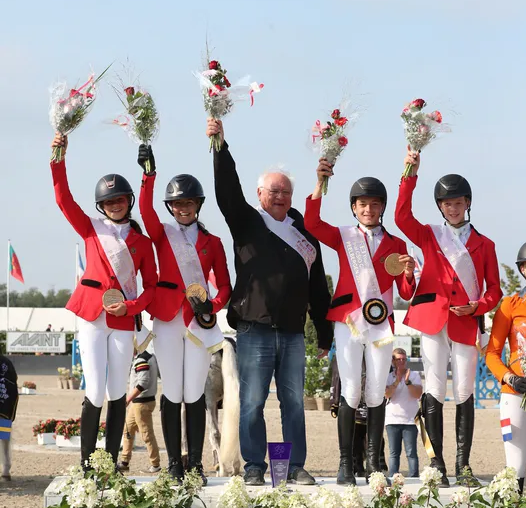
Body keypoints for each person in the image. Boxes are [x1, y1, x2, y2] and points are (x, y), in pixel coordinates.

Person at [206, 118, 333, 486]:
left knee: (294, 405)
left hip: (293, 334)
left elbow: (317, 289)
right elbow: (227, 191)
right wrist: (219, 147)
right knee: (252, 404)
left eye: (285, 193)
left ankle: (293, 466)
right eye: (273, 191)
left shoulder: (305, 235)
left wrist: (323, 333)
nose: (279, 197)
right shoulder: (247, 223)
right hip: (253, 331)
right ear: (260, 194)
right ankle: (255, 467)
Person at [305, 158, 415, 484]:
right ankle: (344, 464)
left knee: (376, 390)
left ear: (382, 207)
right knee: (351, 389)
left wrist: (409, 272)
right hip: (348, 320)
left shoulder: (397, 245)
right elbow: (312, 223)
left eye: (374, 203)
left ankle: (373, 463)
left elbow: (406, 291)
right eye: (362, 203)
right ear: (354, 207)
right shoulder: (343, 236)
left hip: (381, 325)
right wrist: (319, 183)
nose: (368, 209)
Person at [395, 148, 502, 486]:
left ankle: (464, 466)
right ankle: (436, 464)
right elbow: (400, 216)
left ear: (467, 203)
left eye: (457, 202)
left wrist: (478, 306)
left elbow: (495, 291)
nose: (452, 208)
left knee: (466, 391)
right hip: (432, 321)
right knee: (435, 389)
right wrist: (410, 171)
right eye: (446, 204)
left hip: (465, 321)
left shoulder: (485, 245)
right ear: (440, 207)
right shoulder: (429, 235)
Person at [50, 133, 157, 469]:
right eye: (109, 202)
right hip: (93, 316)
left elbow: (151, 287)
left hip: (123, 320)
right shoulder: (91, 228)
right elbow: (63, 199)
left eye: (120, 200)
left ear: (128, 200)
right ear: (102, 205)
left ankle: (109, 463)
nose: (115, 205)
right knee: (95, 389)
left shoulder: (141, 241)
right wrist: (58, 157)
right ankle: (86, 464)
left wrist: (133, 307)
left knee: (115, 392)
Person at [138, 143, 231, 484]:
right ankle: (173, 463)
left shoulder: (213, 242)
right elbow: (145, 209)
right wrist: (149, 175)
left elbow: (224, 287)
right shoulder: (161, 233)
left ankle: (194, 463)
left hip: (197, 322)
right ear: (172, 207)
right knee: (172, 392)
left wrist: (213, 306)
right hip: (166, 320)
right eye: (177, 203)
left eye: (188, 203)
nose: (183, 208)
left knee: (194, 392)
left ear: (197, 205)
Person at [486, 241, 526, 494]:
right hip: (517, 392)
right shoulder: (510, 305)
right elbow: (492, 353)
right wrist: (510, 378)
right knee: (516, 466)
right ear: (522, 269)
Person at [119, 347, 161, 473]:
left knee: (146, 434)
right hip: (139, 402)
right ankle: (124, 461)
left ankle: (155, 463)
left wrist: (127, 399)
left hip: (141, 402)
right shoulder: (150, 356)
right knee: (128, 429)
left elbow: (142, 383)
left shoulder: (142, 359)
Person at [384, 348, 423, 477]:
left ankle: (414, 477)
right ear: (393, 361)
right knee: (394, 453)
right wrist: (397, 381)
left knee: (411, 452)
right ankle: (393, 478)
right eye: (398, 359)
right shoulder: (389, 376)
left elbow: (417, 394)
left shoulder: (414, 375)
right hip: (392, 419)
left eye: (403, 359)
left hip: (410, 419)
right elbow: (387, 395)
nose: (401, 362)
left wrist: (407, 382)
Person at [0, 354, 18, 481]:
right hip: (5, 405)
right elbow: (13, 384)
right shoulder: (7, 362)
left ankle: (6, 466)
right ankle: (6, 467)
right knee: (4, 436)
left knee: (5, 435)